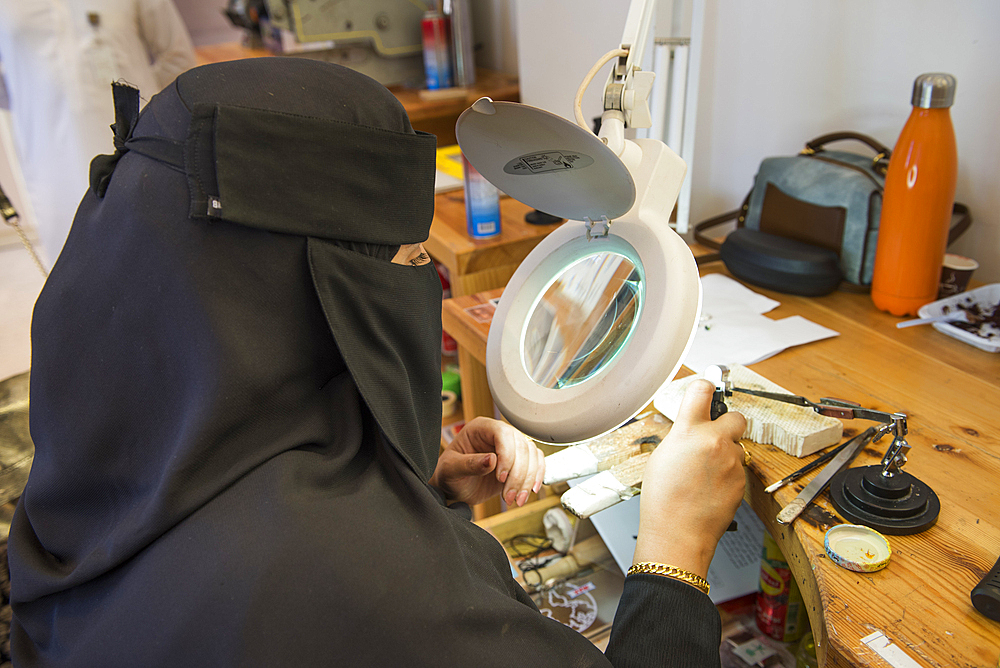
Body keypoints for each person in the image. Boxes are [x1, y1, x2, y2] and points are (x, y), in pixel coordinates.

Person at [7, 57, 747, 667]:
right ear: (314, 290)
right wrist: (675, 549)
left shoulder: (97, 440)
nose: (419, 279)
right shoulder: (360, 586)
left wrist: (409, 487)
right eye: (410, 259)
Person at [0, 0, 196, 267]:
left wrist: (148, 109)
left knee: (157, 266)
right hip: (51, 167)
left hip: (141, 155)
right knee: (74, 271)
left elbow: (178, 59)